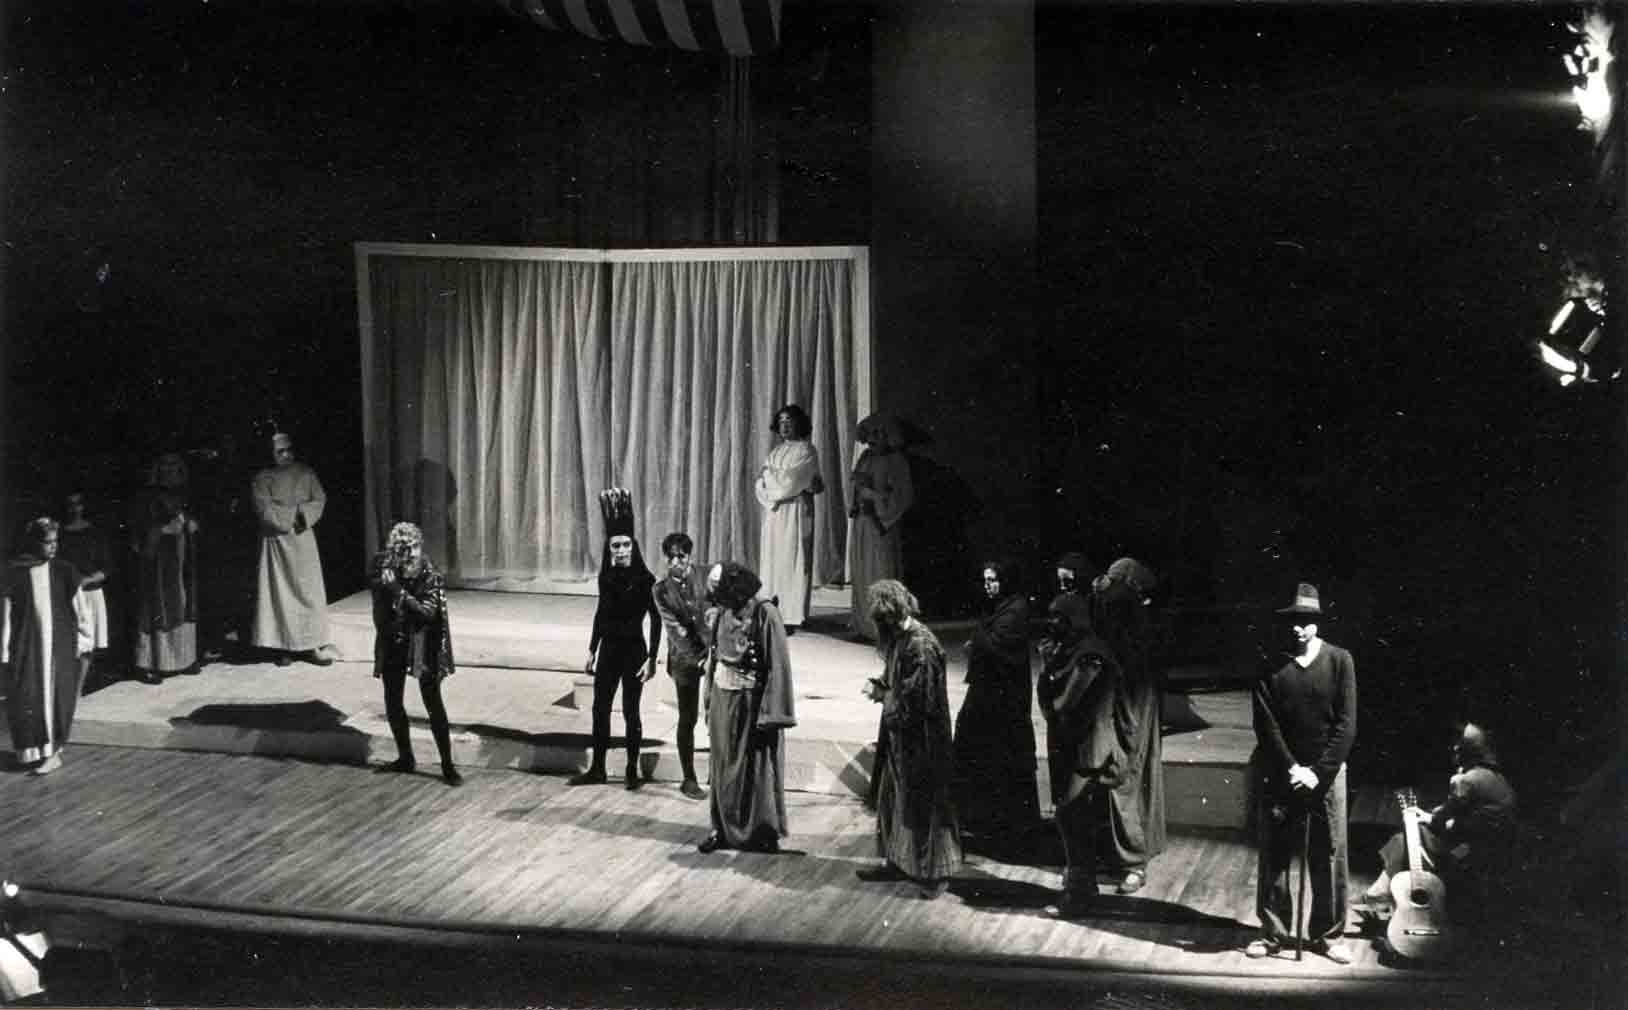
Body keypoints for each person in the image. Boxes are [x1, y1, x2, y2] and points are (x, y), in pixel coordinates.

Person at [1247, 582, 1357, 963]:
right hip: (1281, 773)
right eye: (1293, 620)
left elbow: (1346, 725)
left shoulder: (1340, 660)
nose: (1298, 627)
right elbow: (1266, 726)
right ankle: (1273, 934)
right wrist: (1293, 768)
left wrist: (1319, 773)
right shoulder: (1269, 667)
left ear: (1318, 622)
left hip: (1326, 777)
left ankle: (1328, 935)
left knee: (1328, 855)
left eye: (1306, 620)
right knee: (1275, 854)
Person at [857, 579, 962, 899]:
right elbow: (899, 684)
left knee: (925, 808)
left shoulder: (921, 645)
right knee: (894, 800)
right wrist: (883, 685)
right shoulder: (901, 639)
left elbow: (920, 702)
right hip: (901, 735)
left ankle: (934, 873)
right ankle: (898, 860)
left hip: (923, 740)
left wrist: (884, 695)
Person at [1357, 721, 1516, 916]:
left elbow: (1444, 817)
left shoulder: (1467, 780)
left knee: (1407, 837)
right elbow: (1456, 813)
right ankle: (1383, 894)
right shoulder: (1495, 777)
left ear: (1465, 752)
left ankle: (1381, 893)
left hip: (1470, 849)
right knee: (1413, 836)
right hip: (1494, 845)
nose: (1454, 750)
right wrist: (1436, 817)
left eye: (1458, 747)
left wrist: (1430, 817)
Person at [696, 561, 796, 853]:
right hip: (722, 697)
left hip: (751, 702)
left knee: (756, 766)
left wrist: (771, 711)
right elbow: (714, 655)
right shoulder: (723, 612)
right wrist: (708, 698)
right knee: (722, 765)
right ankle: (722, 828)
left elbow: (778, 664)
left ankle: (761, 831)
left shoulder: (765, 612)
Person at [1036, 588, 1119, 917]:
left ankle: (1079, 893)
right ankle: (1081, 887)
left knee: (1073, 818)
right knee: (1071, 818)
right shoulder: (1074, 651)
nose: (1052, 623)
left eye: (1058, 616)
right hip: (1073, 746)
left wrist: (1046, 669)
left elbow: (1061, 705)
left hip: (1086, 751)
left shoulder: (1090, 655)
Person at [570, 489, 661, 790]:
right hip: (609, 650)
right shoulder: (606, 578)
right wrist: (591, 650)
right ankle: (597, 768)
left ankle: (632, 769)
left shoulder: (646, 580)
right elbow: (600, 613)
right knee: (600, 709)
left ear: (633, 547)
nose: (620, 551)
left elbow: (657, 619)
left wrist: (652, 659)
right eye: (615, 547)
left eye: (624, 545)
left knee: (631, 711)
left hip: (634, 651)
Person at [1090, 557, 1167, 895]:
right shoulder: (1126, 624)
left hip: (1129, 714)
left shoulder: (1132, 635)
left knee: (1126, 779)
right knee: (1123, 781)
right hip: (1123, 710)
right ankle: (1125, 856)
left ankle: (1133, 861)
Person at [951, 559, 1041, 845]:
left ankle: (1004, 825)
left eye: (994, 580)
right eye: (986, 580)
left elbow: (995, 645)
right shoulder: (1001, 608)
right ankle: (981, 818)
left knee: (1001, 755)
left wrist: (976, 643)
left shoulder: (1016, 610)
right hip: (989, 692)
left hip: (1004, 698)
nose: (988, 586)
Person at [370, 522, 460, 786]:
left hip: (422, 642)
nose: (407, 555)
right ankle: (405, 757)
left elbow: (426, 612)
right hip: (394, 640)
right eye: (401, 550)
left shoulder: (429, 573)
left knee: (432, 700)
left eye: (411, 548)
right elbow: (377, 596)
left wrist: (397, 589)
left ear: (419, 546)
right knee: (393, 699)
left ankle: (447, 764)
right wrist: (386, 581)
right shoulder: (386, 566)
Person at [2, 518, 93, 774]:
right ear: (34, 542)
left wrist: (85, 639)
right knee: (26, 696)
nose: (53, 547)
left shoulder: (64, 571)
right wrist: (5, 650)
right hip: (26, 647)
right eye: (47, 542)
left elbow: (80, 609)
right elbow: (6, 613)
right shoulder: (15, 573)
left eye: (55, 541)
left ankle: (53, 752)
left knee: (55, 696)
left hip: (59, 646)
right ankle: (33, 751)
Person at [251, 432, 336, 666]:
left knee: (308, 591)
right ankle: (283, 646)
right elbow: (263, 508)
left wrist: (301, 516)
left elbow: (318, 499)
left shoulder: (306, 473)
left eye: (289, 449)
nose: (286, 455)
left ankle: (311, 645)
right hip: (276, 542)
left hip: (302, 537)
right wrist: (287, 518)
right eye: (280, 451)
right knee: (280, 594)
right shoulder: (263, 478)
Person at [754, 403, 823, 632]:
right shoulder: (776, 452)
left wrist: (771, 478)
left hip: (795, 511)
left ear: (798, 423)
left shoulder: (806, 450)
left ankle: (793, 615)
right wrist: (772, 485)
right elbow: (760, 484)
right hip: (775, 512)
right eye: (781, 422)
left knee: (793, 558)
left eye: (789, 421)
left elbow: (793, 481)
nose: (784, 426)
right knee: (774, 559)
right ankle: (773, 611)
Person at [131, 453, 199, 683]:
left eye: (174, 466)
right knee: (156, 605)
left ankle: (183, 660)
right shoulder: (148, 497)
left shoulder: (185, 494)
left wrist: (189, 524)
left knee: (182, 602)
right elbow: (141, 529)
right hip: (158, 560)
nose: (170, 471)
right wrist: (162, 530)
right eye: (165, 466)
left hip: (180, 557)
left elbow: (192, 519)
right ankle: (151, 663)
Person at [653, 532, 709, 799]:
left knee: (719, 717)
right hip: (685, 659)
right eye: (671, 557)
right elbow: (676, 631)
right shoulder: (661, 590)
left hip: (715, 656)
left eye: (682, 556)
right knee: (688, 717)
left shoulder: (707, 577)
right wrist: (700, 658)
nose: (677, 562)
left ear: (690, 556)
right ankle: (689, 778)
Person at [848, 413, 914, 641]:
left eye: (879, 434)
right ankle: (863, 625)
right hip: (863, 523)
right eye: (870, 434)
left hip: (881, 524)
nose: (873, 440)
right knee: (862, 571)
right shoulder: (866, 457)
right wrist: (857, 495)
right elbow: (858, 486)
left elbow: (903, 497)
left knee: (880, 571)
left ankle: (883, 628)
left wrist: (875, 498)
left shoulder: (896, 461)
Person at [57, 491, 113, 681]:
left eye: (78, 504)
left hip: (90, 593)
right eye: (70, 504)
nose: (74, 509)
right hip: (68, 594)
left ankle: (82, 684)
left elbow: (106, 568)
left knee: (91, 642)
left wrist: (86, 580)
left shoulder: (94, 532)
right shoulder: (59, 534)